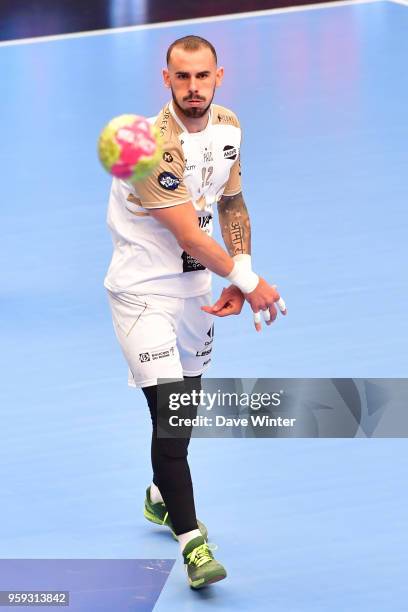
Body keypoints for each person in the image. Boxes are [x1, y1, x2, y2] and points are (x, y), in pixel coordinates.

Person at [104, 34, 286, 589]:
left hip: (195, 292)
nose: (193, 88)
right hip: (142, 294)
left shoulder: (228, 124)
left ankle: (161, 497)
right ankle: (193, 543)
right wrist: (250, 283)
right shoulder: (148, 147)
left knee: (180, 425)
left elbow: (229, 200)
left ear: (218, 76)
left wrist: (240, 264)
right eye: (181, 77)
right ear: (167, 80)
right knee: (169, 417)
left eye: (201, 76)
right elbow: (186, 229)